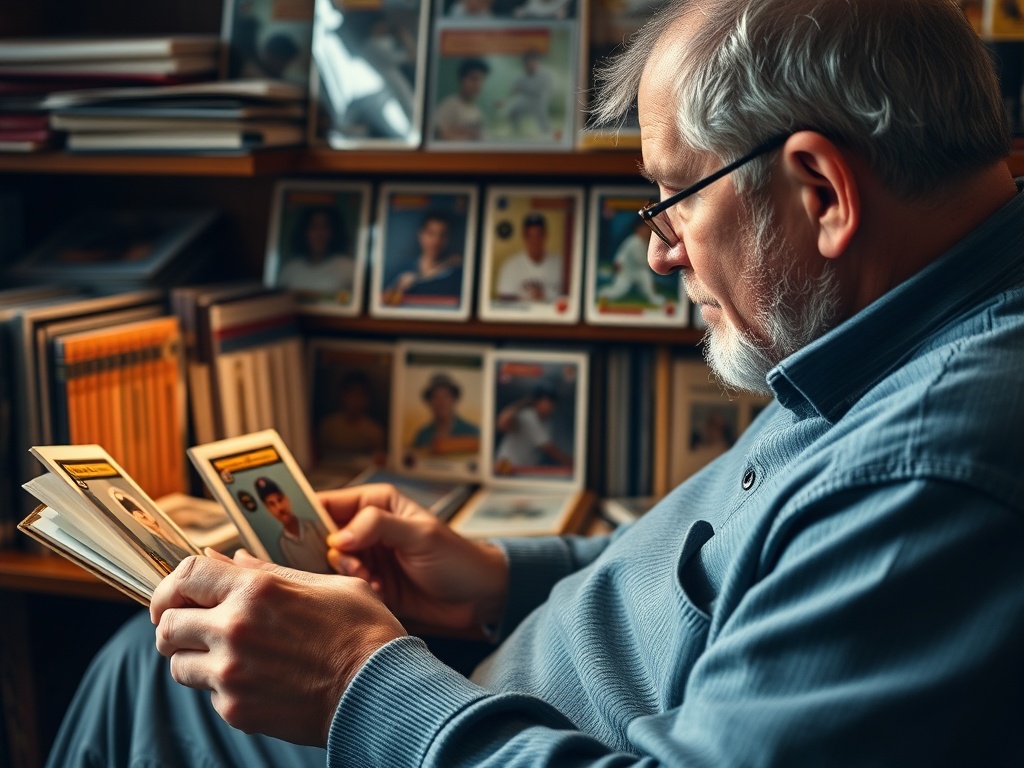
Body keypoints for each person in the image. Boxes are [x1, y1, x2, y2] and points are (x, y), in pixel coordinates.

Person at [46, 1, 1024, 765]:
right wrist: (498, 580)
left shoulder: (934, 470)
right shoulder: (892, 324)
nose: (660, 257)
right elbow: (731, 566)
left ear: (819, 192)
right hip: (488, 692)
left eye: (672, 201)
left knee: (151, 672)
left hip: (481, 735)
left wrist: (356, 679)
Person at [383, 211, 465, 306]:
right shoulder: (402, 271)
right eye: (431, 233)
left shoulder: (457, 274)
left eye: (442, 235)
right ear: (421, 235)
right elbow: (384, 302)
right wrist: (398, 287)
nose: (436, 241)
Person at [253, 476, 331, 574]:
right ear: (269, 510)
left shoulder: (313, 526)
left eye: (280, 500)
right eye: (272, 504)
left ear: (287, 500)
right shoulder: (284, 544)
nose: (279, 507)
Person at [277, 205, 355, 300]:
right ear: (304, 232)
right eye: (313, 227)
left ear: (333, 232)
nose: (319, 234)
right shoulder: (290, 269)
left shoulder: (348, 268)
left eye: (324, 227)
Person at [492, 384, 572, 474]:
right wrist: (570, 463)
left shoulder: (548, 423)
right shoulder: (528, 415)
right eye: (544, 401)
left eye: (551, 401)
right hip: (505, 470)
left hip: (521, 472)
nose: (548, 405)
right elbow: (502, 423)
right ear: (536, 402)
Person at [316, 370, 387, 463]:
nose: (355, 400)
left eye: (360, 394)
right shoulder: (328, 426)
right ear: (343, 395)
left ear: (367, 399)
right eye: (352, 393)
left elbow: (378, 461)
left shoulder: (375, 432)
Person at [494, 212, 564, 301]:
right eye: (530, 236)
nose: (535, 241)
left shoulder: (560, 264)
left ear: (545, 236)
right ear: (524, 238)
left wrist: (545, 296)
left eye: (538, 235)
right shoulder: (510, 266)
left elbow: (569, 299)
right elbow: (504, 301)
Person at [598, 219, 666, 306]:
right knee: (618, 291)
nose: (645, 231)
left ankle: (657, 300)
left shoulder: (646, 242)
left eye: (646, 229)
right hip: (626, 272)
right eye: (643, 229)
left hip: (641, 271)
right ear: (637, 230)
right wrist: (617, 263)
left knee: (649, 291)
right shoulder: (632, 241)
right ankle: (602, 293)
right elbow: (623, 254)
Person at [411, 372, 480, 454]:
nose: (441, 402)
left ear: (454, 400)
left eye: (446, 396)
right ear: (430, 402)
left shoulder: (472, 433)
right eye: (436, 396)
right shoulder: (422, 435)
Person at [497, 50, 554, 136]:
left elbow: (551, 89)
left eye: (533, 61)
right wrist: (504, 101)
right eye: (528, 62)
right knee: (514, 111)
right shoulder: (521, 78)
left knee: (543, 117)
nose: (530, 64)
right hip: (526, 101)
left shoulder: (545, 75)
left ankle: (546, 133)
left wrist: (547, 98)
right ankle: (516, 132)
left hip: (540, 101)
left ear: (537, 62)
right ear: (525, 64)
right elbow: (513, 91)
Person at [433, 57, 490, 141]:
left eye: (481, 80)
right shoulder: (450, 105)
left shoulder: (477, 112)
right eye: (473, 79)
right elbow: (439, 133)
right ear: (462, 80)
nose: (478, 85)